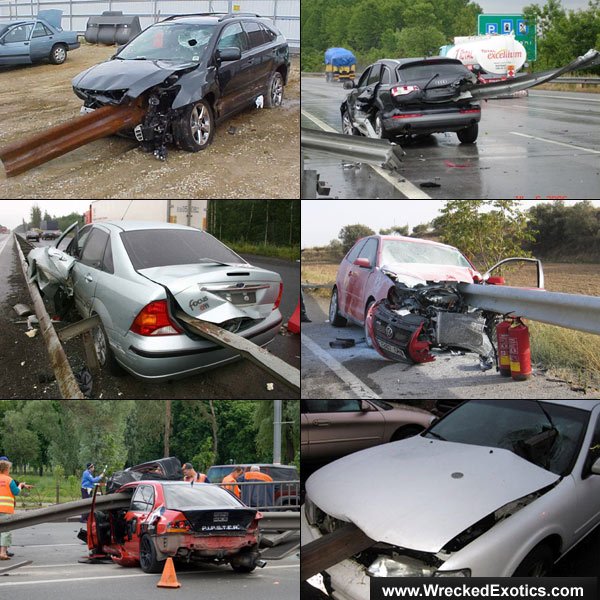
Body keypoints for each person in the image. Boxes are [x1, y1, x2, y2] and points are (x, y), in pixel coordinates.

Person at [0, 457, 32, 560]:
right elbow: (16, 492)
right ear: (6, 469)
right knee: (5, 530)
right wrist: (21, 485)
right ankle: (3, 552)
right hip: (6, 509)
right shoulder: (9, 480)